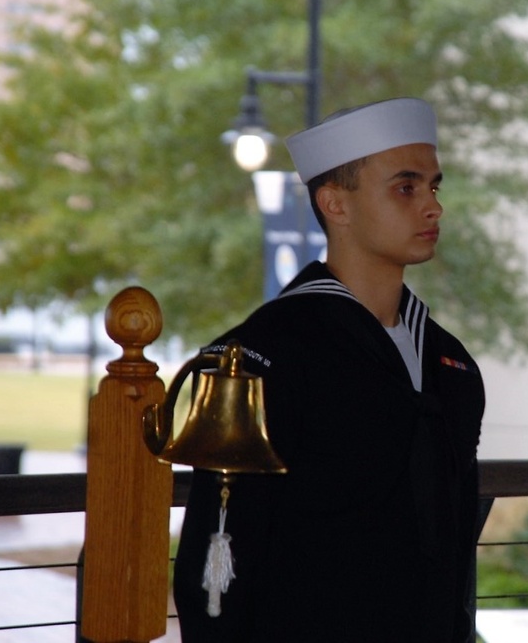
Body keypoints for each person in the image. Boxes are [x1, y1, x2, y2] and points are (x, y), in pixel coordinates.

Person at [173, 98, 485, 642]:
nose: (433, 207)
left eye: (434, 187)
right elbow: (218, 556)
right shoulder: (261, 357)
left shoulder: (451, 364)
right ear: (334, 204)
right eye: (406, 188)